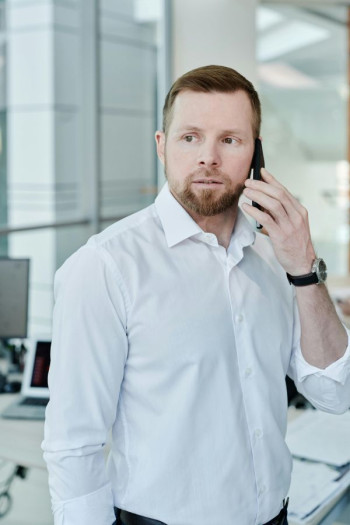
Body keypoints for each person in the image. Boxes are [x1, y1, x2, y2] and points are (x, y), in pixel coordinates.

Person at [42, 65, 350, 525]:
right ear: (162, 146)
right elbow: (73, 443)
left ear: (255, 155)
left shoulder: (274, 257)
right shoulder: (105, 267)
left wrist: (304, 268)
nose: (208, 157)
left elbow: (333, 392)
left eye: (230, 140)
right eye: (190, 138)